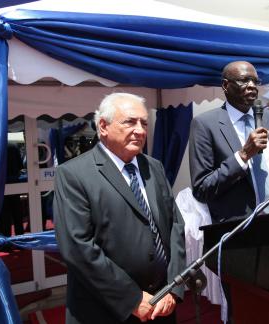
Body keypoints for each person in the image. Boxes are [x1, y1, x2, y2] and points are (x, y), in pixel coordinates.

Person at [54, 93, 186, 324]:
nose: (140, 130)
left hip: (161, 306)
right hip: (106, 310)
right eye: (130, 122)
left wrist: (174, 287)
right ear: (103, 126)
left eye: (144, 123)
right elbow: (78, 247)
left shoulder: (154, 167)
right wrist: (132, 299)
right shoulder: (74, 174)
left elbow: (175, 226)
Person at [189, 60, 269, 223]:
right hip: (238, 231)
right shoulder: (205, 124)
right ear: (225, 85)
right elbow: (202, 189)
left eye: (255, 81)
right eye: (244, 80)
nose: (252, 85)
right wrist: (243, 156)